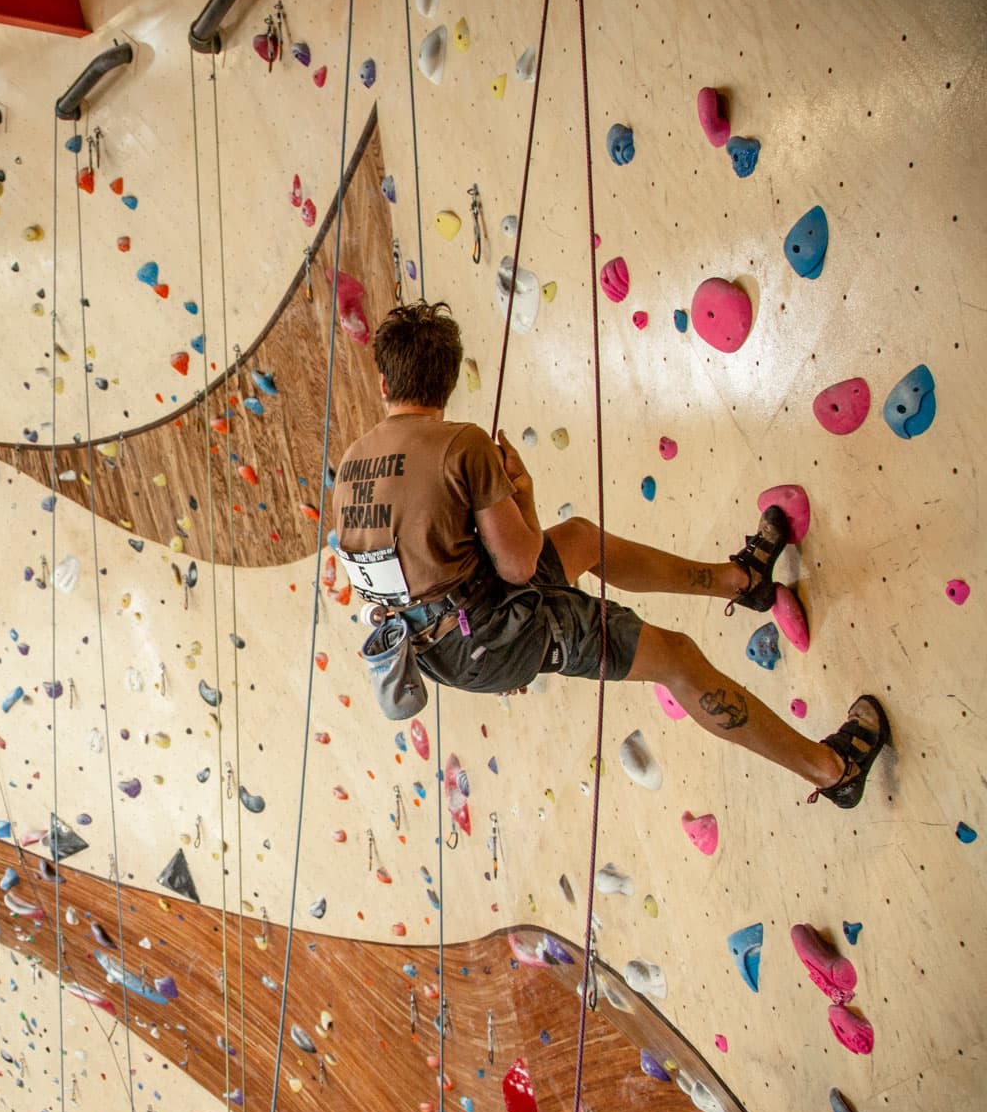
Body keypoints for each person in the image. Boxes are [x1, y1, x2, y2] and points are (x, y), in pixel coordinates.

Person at [330, 301, 890, 808]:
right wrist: (523, 497)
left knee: (577, 539)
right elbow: (521, 565)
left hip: (437, 648)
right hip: (491, 630)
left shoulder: (353, 462)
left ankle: (739, 582)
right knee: (676, 658)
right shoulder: (462, 444)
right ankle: (832, 769)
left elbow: (399, 571)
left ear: (383, 383)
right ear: (448, 381)